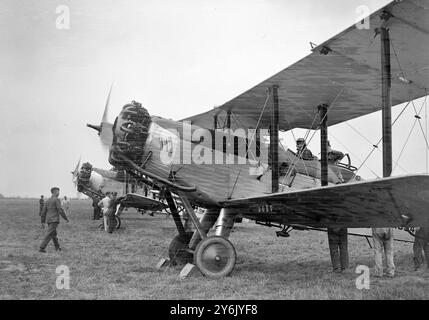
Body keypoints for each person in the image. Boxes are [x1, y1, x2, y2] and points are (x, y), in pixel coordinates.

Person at [39, 187, 69, 252]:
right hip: (54, 220)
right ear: (55, 192)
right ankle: (42, 247)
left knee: (53, 234)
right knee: (50, 233)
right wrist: (66, 218)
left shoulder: (48, 200)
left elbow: (43, 212)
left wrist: (43, 221)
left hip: (49, 220)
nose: (59, 193)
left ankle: (57, 247)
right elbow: (60, 210)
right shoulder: (56, 200)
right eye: (58, 191)